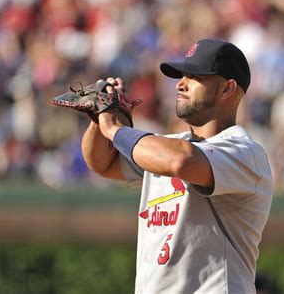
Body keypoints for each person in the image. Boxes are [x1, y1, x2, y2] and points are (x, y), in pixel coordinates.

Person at [81, 39, 273, 293]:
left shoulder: (244, 152)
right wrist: (102, 115)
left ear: (227, 88)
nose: (181, 84)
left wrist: (115, 130)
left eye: (194, 76)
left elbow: (181, 161)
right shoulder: (167, 146)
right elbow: (102, 163)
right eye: (182, 76)